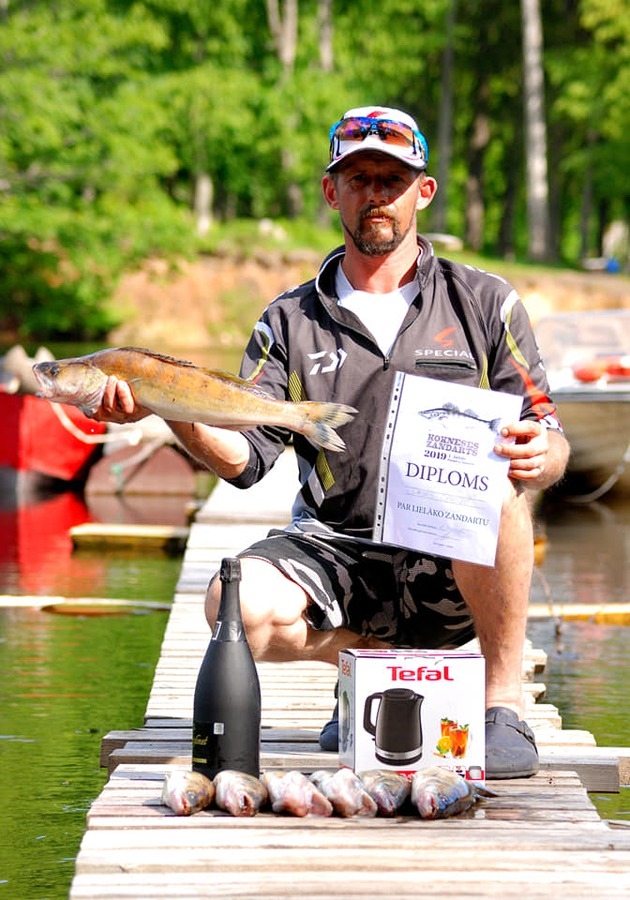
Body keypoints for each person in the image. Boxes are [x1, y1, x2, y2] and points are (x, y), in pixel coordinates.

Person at [94, 106, 570, 779]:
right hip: (335, 549)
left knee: (502, 493)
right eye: (359, 178)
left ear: (422, 191)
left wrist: (538, 455)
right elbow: (244, 460)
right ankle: (365, 671)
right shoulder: (288, 318)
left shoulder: (484, 301)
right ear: (332, 191)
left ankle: (501, 703)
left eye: (392, 179)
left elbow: (550, 434)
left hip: (453, 556)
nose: (376, 193)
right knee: (234, 606)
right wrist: (167, 410)